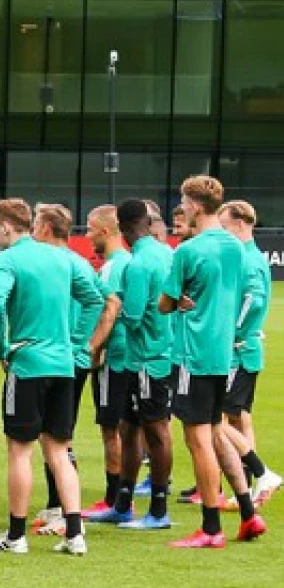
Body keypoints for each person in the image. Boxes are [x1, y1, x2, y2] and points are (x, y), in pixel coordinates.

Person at [0, 199, 101, 557]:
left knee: (20, 451)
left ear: (4, 226)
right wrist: (76, 342)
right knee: (59, 451)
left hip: (28, 364)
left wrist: (2, 348)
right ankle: (75, 534)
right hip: (63, 365)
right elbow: (95, 300)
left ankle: (17, 536)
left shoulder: (8, 259)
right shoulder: (63, 258)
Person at [159, 176, 266, 547]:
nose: (182, 209)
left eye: (184, 203)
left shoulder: (188, 250)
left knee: (199, 439)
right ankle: (249, 513)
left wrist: (180, 300)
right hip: (223, 353)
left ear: (195, 205)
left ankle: (210, 527)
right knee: (216, 430)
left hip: (192, 352)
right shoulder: (237, 248)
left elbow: (164, 303)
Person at [91, 199, 179, 531]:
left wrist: (110, 299)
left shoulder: (140, 264)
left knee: (155, 430)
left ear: (125, 228)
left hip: (147, 359)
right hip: (145, 356)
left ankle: (158, 510)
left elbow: (133, 314)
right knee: (129, 428)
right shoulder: (164, 253)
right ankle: (122, 504)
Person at [31, 205, 97, 528]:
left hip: (65, 359)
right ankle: (56, 505)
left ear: (45, 227)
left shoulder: (70, 262)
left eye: (34, 224)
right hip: (61, 357)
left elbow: (103, 300)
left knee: (59, 437)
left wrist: (77, 341)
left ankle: (67, 513)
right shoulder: (70, 262)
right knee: (49, 435)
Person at [217, 200, 283, 504]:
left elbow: (253, 300)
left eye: (225, 223)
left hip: (239, 352)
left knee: (215, 416)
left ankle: (260, 474)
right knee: (239, 418)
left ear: (241, 223)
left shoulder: (246, 258)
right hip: (249, 350)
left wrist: (235, 333)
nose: (222, 230)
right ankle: (248, 487)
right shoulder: (251, 256)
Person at [76, 205, 134, 528]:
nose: (86, 235)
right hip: (123, 354)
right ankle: (120, 495)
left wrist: (93, 347)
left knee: (111, 427)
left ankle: (115, 499)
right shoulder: (121, 263)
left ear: (106, 231)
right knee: (120, 426)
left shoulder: (114, 266)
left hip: (115, 356)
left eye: (90, 229)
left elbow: (110, 311)